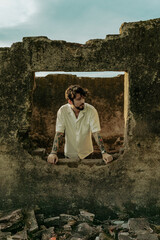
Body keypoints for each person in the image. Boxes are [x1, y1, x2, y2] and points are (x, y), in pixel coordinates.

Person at [47, 85, 113, 165]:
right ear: (70, 101)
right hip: (69, 154)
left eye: (83, 98)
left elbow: (96, 133)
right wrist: (53, 153)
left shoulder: (91, 110)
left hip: (87, 154)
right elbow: (59, 133)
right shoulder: (63, 111)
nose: (83, 101)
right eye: (78, 99)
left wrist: (104, 153)